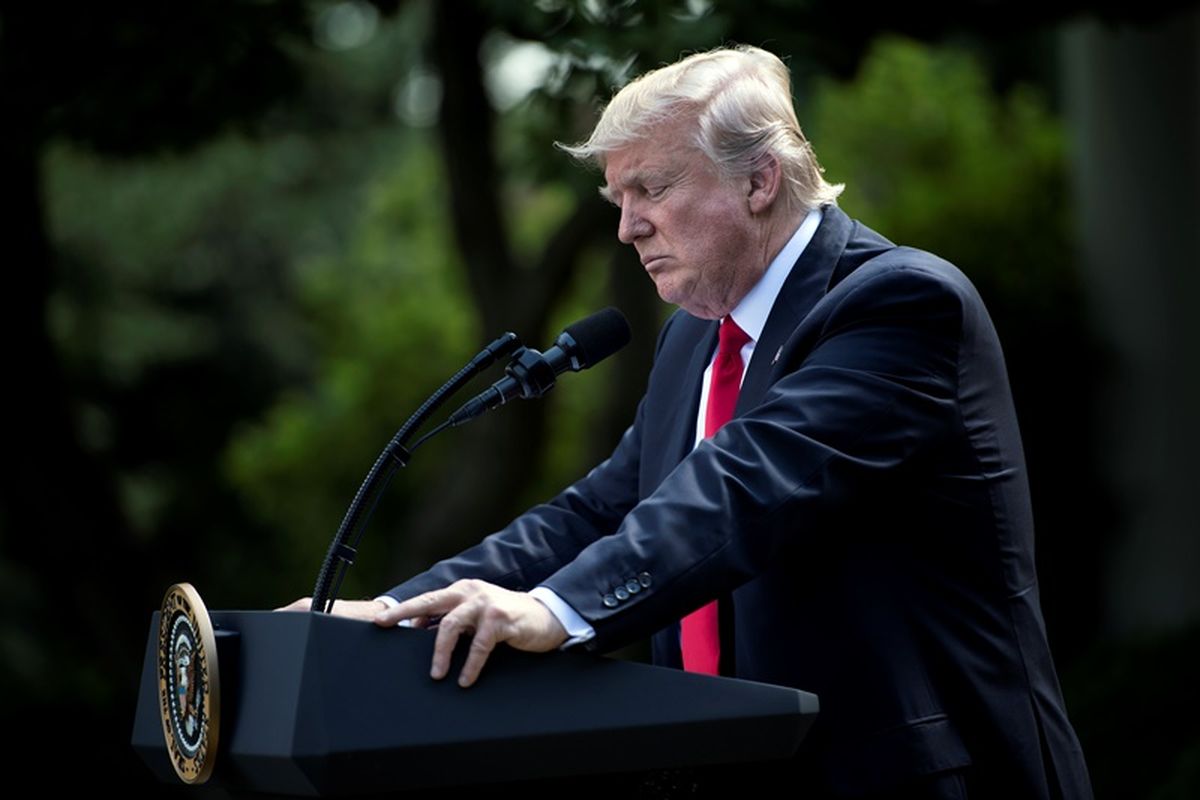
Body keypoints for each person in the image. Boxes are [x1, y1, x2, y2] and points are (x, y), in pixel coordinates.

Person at [282, 45, 1092, 799]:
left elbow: (742, 486)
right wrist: (387, 615)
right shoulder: (696, 338)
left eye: (653, 189)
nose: (629, 225)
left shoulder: (899, 304)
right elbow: (601, 509)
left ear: (759, 180)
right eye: (618, 198)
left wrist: (555, 609)